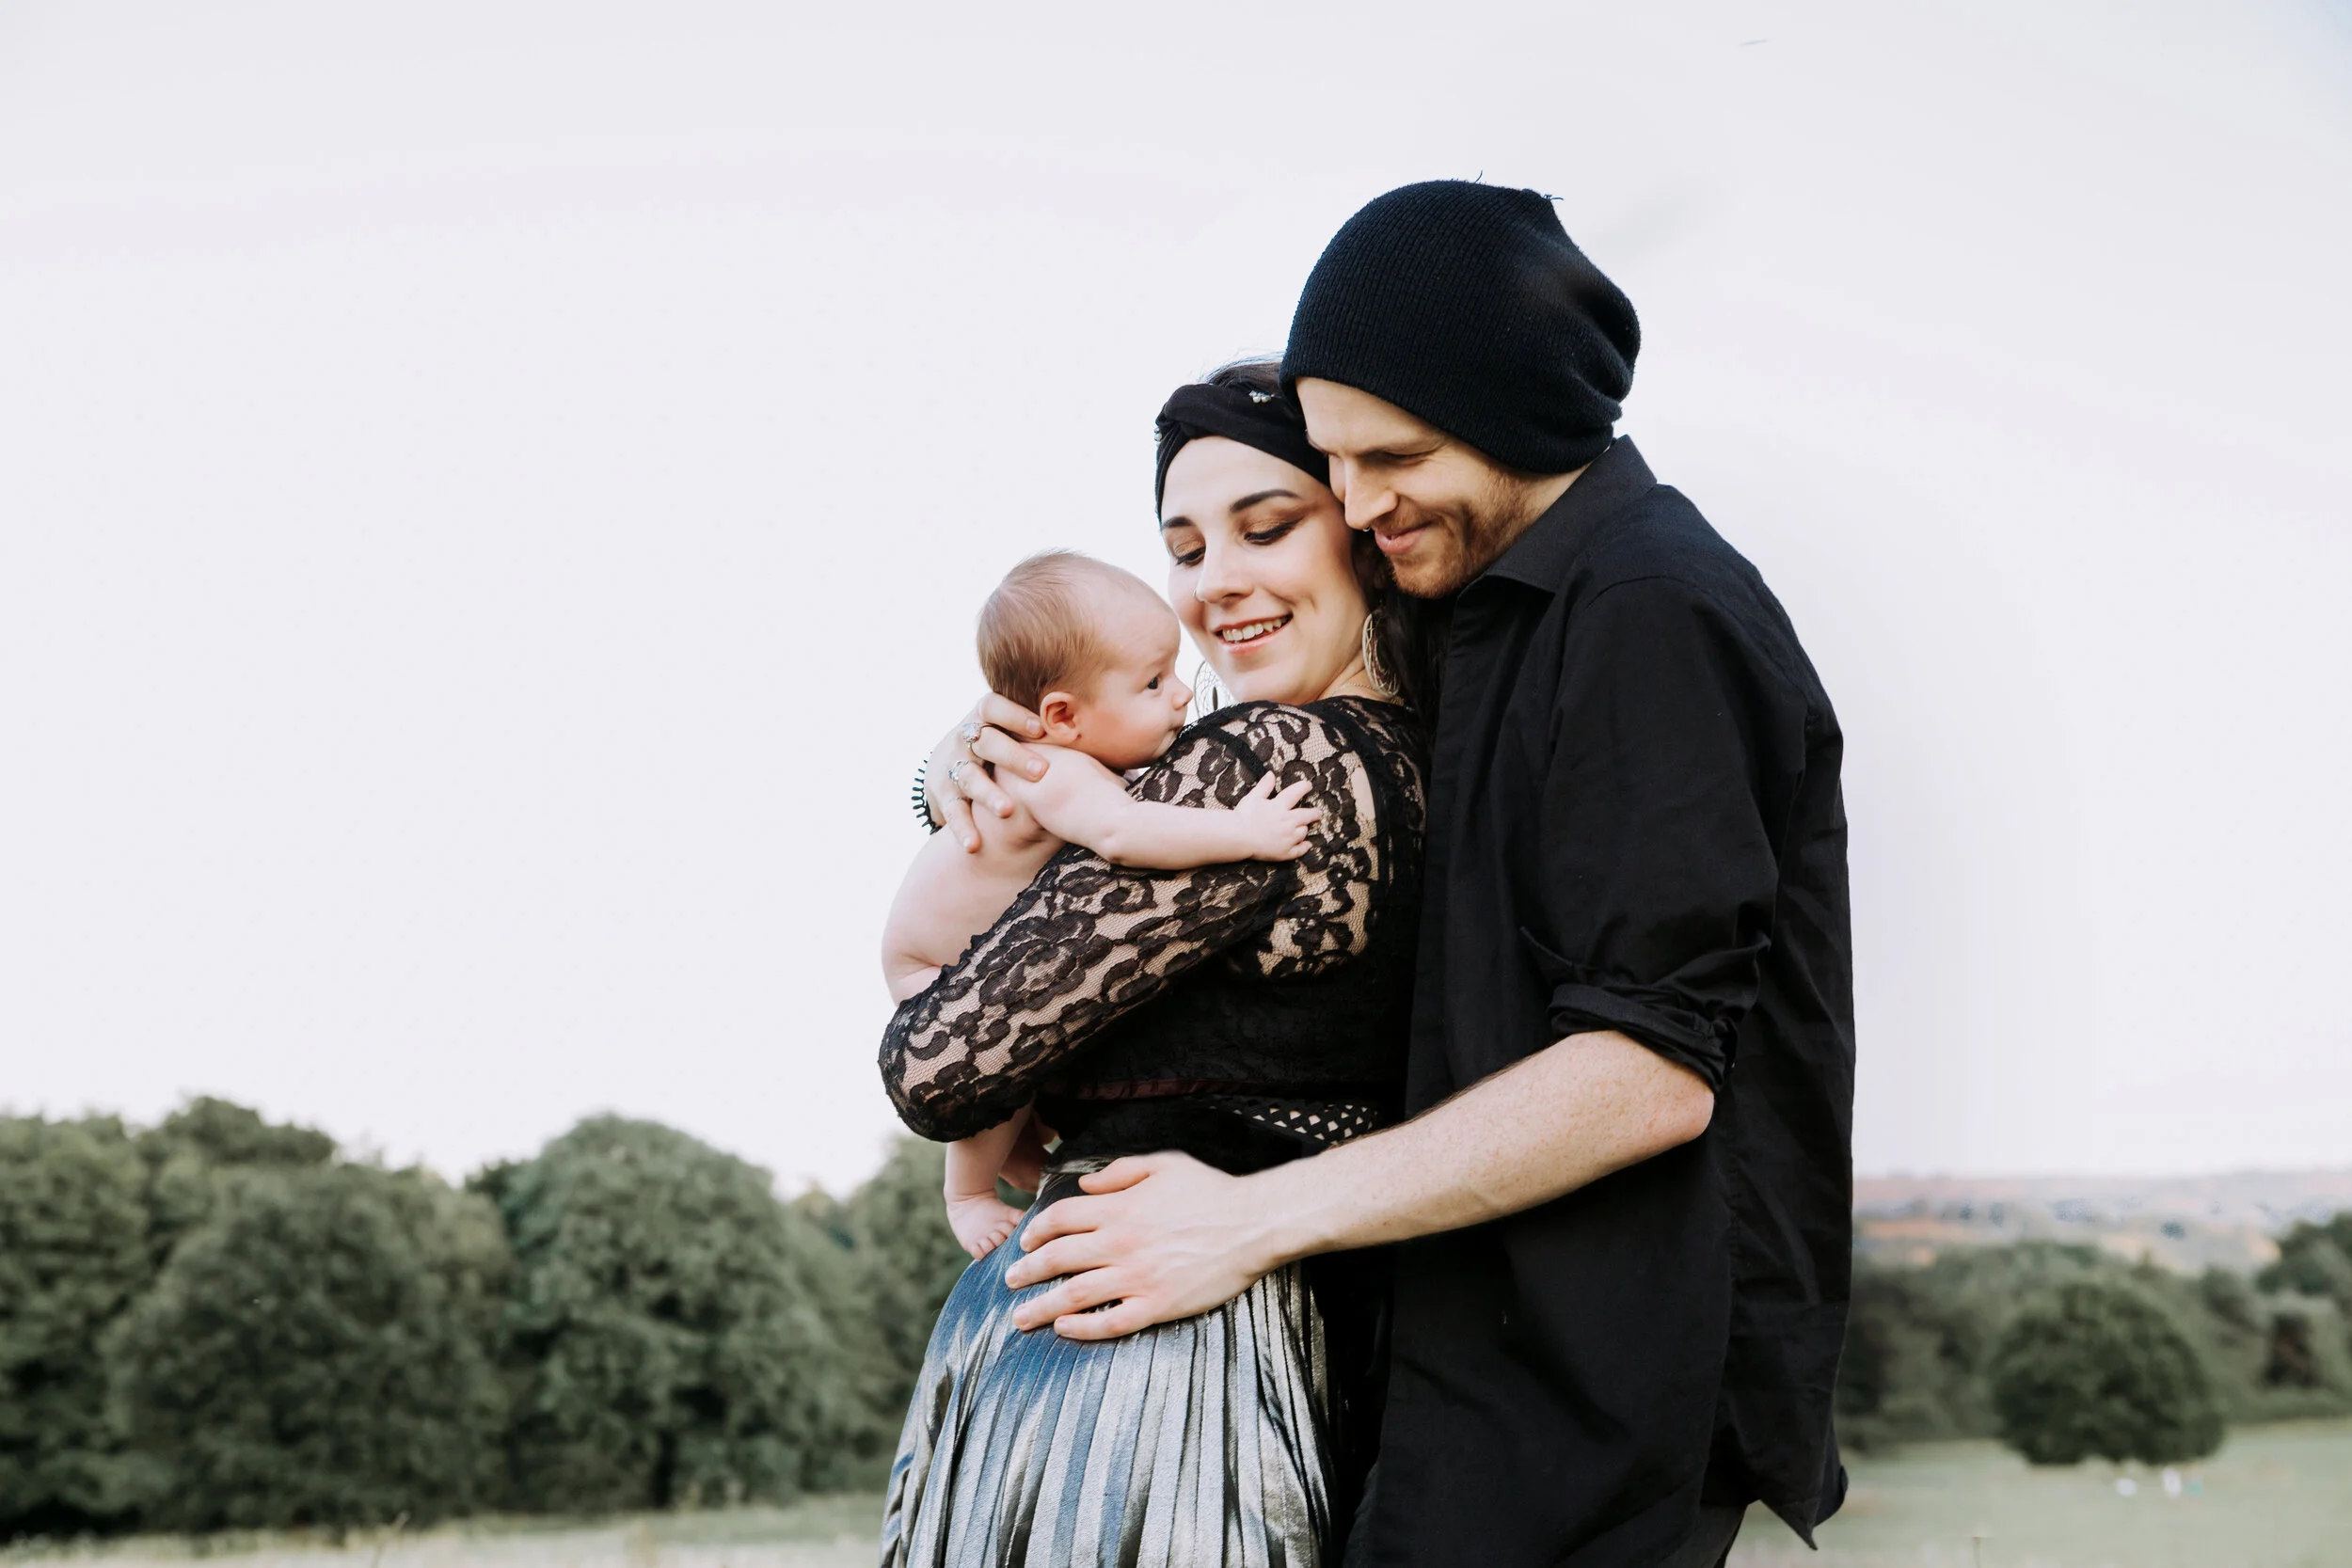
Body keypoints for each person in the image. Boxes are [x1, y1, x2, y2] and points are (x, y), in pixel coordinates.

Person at [940, 182, 1856, 1568]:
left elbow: (1651, 1066)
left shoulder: (1649, 609)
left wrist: (1245, 1220)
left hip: (1587, 1390)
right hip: (1451, 1368)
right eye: (1336, 462)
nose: (1361, 503)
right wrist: (971, 761)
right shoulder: (1479, 613)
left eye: (1395, 456)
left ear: (1515, 413)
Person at [876, 361, 1435, 1568]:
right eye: (1184, 547)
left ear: (1364, 530)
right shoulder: (1419, 759)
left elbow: (938, 1066)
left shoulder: (1260, 759)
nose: (1213, 580)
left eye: (1265, 526)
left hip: (1140, 1370)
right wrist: (949, 777)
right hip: (1322, 1344)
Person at [880, 547, 1320, 1259]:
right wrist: (1246, 831)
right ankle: (968, 1193)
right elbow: (1125, 833)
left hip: (946, 942)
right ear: (1062, 715)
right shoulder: (1052, 771)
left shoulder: (1069, 758)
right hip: (930, 966)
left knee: (1033, 1038)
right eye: (1153, 682)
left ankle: (1022, 1152)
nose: (1180, 694)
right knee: (1007, 1044)